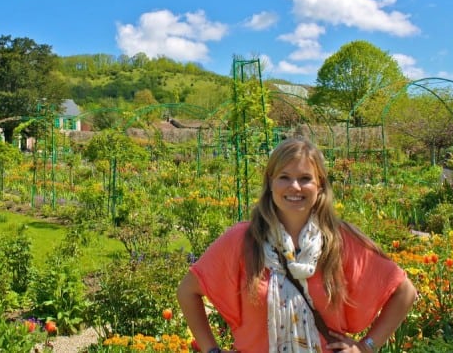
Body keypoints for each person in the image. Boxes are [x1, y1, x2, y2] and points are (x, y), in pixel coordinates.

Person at [177, 137, 417, 353]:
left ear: (320, 185)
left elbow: (405, 292)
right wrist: (212, 351)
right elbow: (187, 292)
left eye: (305, 179)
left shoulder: (340, 240)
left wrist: (366, 347)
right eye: (284, 177)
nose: (295, 187)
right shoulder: (242, 240)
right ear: (270, 182)